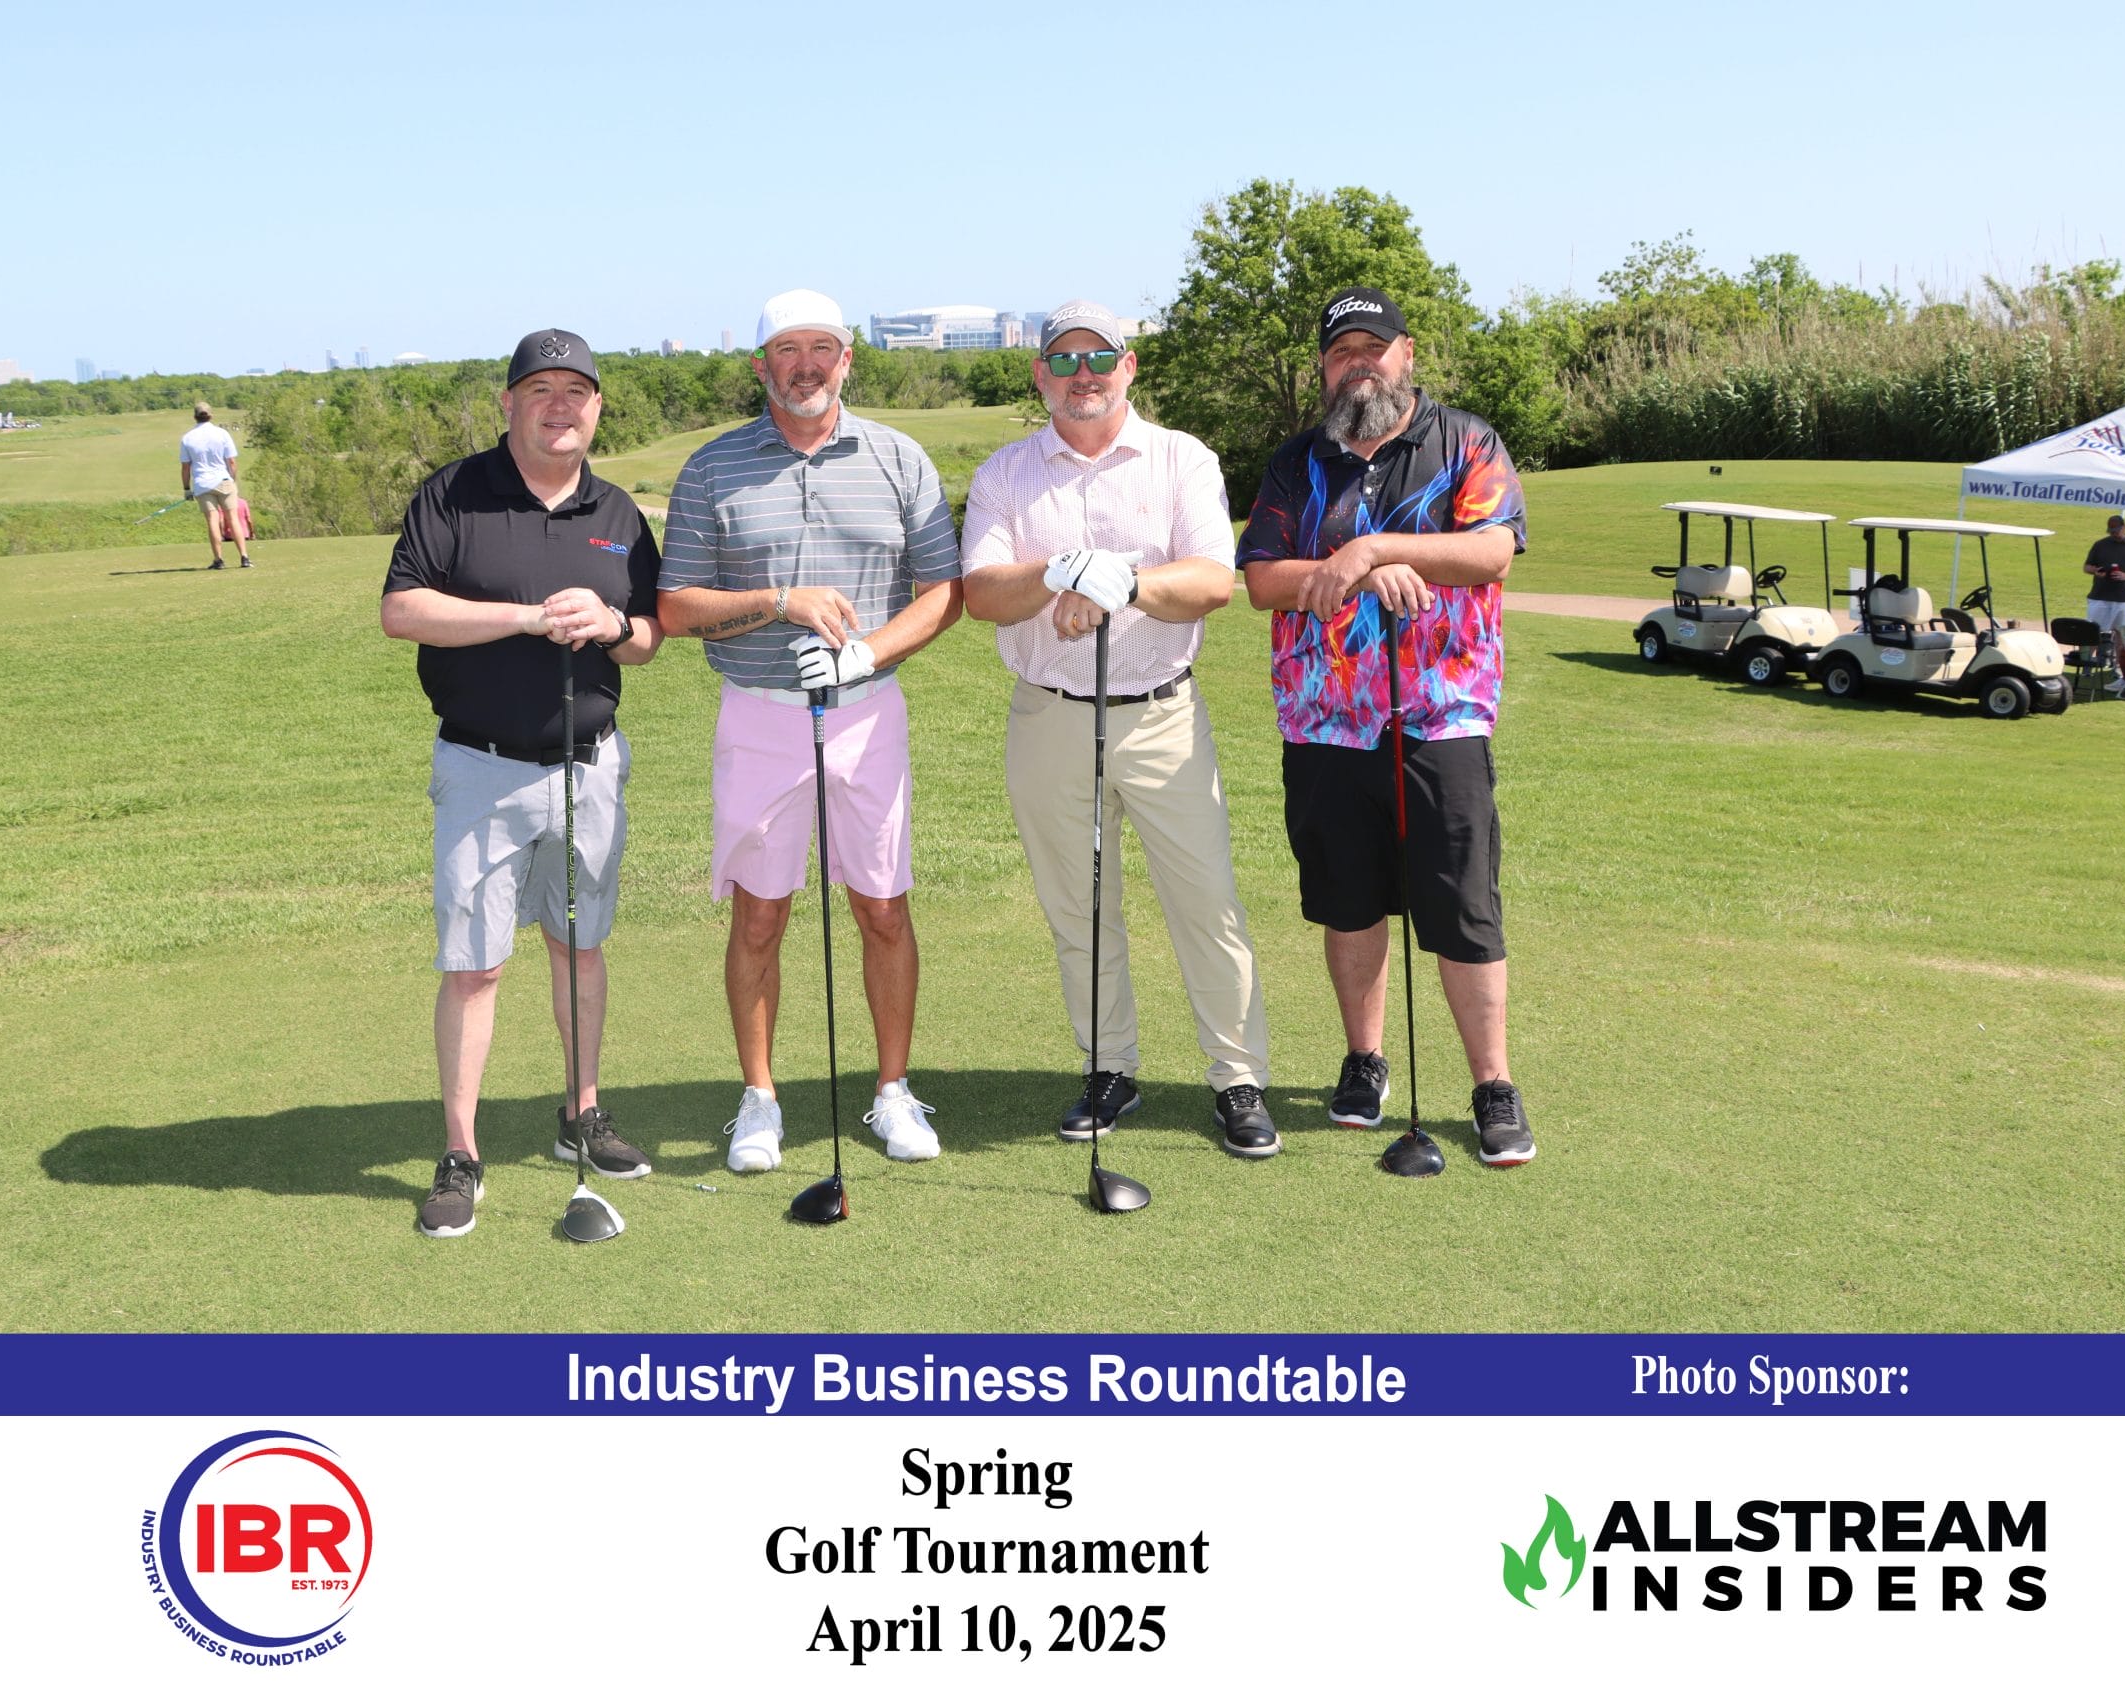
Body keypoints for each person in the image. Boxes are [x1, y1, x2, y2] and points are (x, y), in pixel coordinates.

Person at [959, 300, 1277, 1158]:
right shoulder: (1005, 473)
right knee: (1079, 908)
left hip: (1162, 716)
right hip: (1049, 716)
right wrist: (1061, 572)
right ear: (1040, 375)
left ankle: (1237, 1076)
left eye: (1099, 357)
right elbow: (983, 592)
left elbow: (1212, 580)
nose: (1082, 375)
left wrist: (1122, 583)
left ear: (1128, 367)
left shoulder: (1181, 458)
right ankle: (1109, 1066)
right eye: (1063, 361)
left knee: (1205, 901)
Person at [657, 289, 964, 1174]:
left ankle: (892, 1090)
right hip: (760, 716)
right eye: (787, 350)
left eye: (821, 348)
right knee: (759, 914)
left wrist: (866, 653)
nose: (805, 366)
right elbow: (675, 608)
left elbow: (944, 593)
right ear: (762, 365)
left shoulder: (898, 458)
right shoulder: (713, 466)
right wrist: (778, 602)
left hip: (869, 713)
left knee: (883, 905)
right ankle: (759, 1099)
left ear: (847, 360)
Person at [1236, 286, 1535, 1170]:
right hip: (1325, 721)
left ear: (1407, 355)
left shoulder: (1466, 441)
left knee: (1463, 908)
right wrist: (1353, 571)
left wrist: (1375, 549)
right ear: (1324, 369)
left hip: (1442, 715)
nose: (1358, 364)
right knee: (1349, 900)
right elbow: (1262, 578)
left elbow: (1492, 549)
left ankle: (1493, 1084)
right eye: (1341, 352)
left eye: (1374, 348)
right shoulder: (1297, 463)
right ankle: (1364, 1060)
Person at [378, 329, 665, 1239]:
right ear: (508, 402)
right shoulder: (454, 495)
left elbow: (651, 635)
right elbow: (402, 609)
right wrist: (528, 617)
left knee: (580, 946)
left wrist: (612, 623)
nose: (559, 406)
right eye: (540, 389)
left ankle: (582, 1112)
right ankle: (460, 1152)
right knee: (475, 965)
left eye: (576, 390)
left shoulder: (618, 513)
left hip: (591, 767)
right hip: (481, 767)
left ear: (597, 407)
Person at [179, 402, 251, 570]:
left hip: (202, 484)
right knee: (232, 518)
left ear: (195, 417)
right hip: (224, 480)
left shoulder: (187, 438)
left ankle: (218, 560)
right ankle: (244, 557)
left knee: (212, 519)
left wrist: (186, 489)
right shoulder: (222, 433)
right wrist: (232, 480)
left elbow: (185, 467)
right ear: (211, 415)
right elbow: (231, 461)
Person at [2083, 514, 2125, 691]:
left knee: (2120, 635)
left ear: (2124, 528)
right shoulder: (2100, 545)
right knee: (2093, 632)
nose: (2115, 534)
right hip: (2099, 595)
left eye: (2117, 530)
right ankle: (2086, 664)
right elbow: (2086, 567)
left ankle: (2119, 669)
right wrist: (2096, 571)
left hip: (2123, 598)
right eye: (2112, 531)